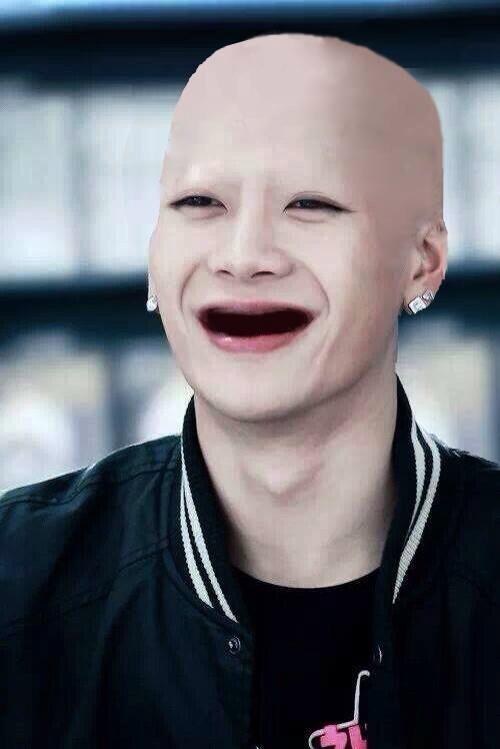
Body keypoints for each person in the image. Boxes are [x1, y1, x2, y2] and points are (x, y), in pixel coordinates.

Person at [0, 32, 498, 749]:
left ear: (422, 262)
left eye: (310, 203)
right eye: (200, 202)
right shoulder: (20, 588)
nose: (243, 257)